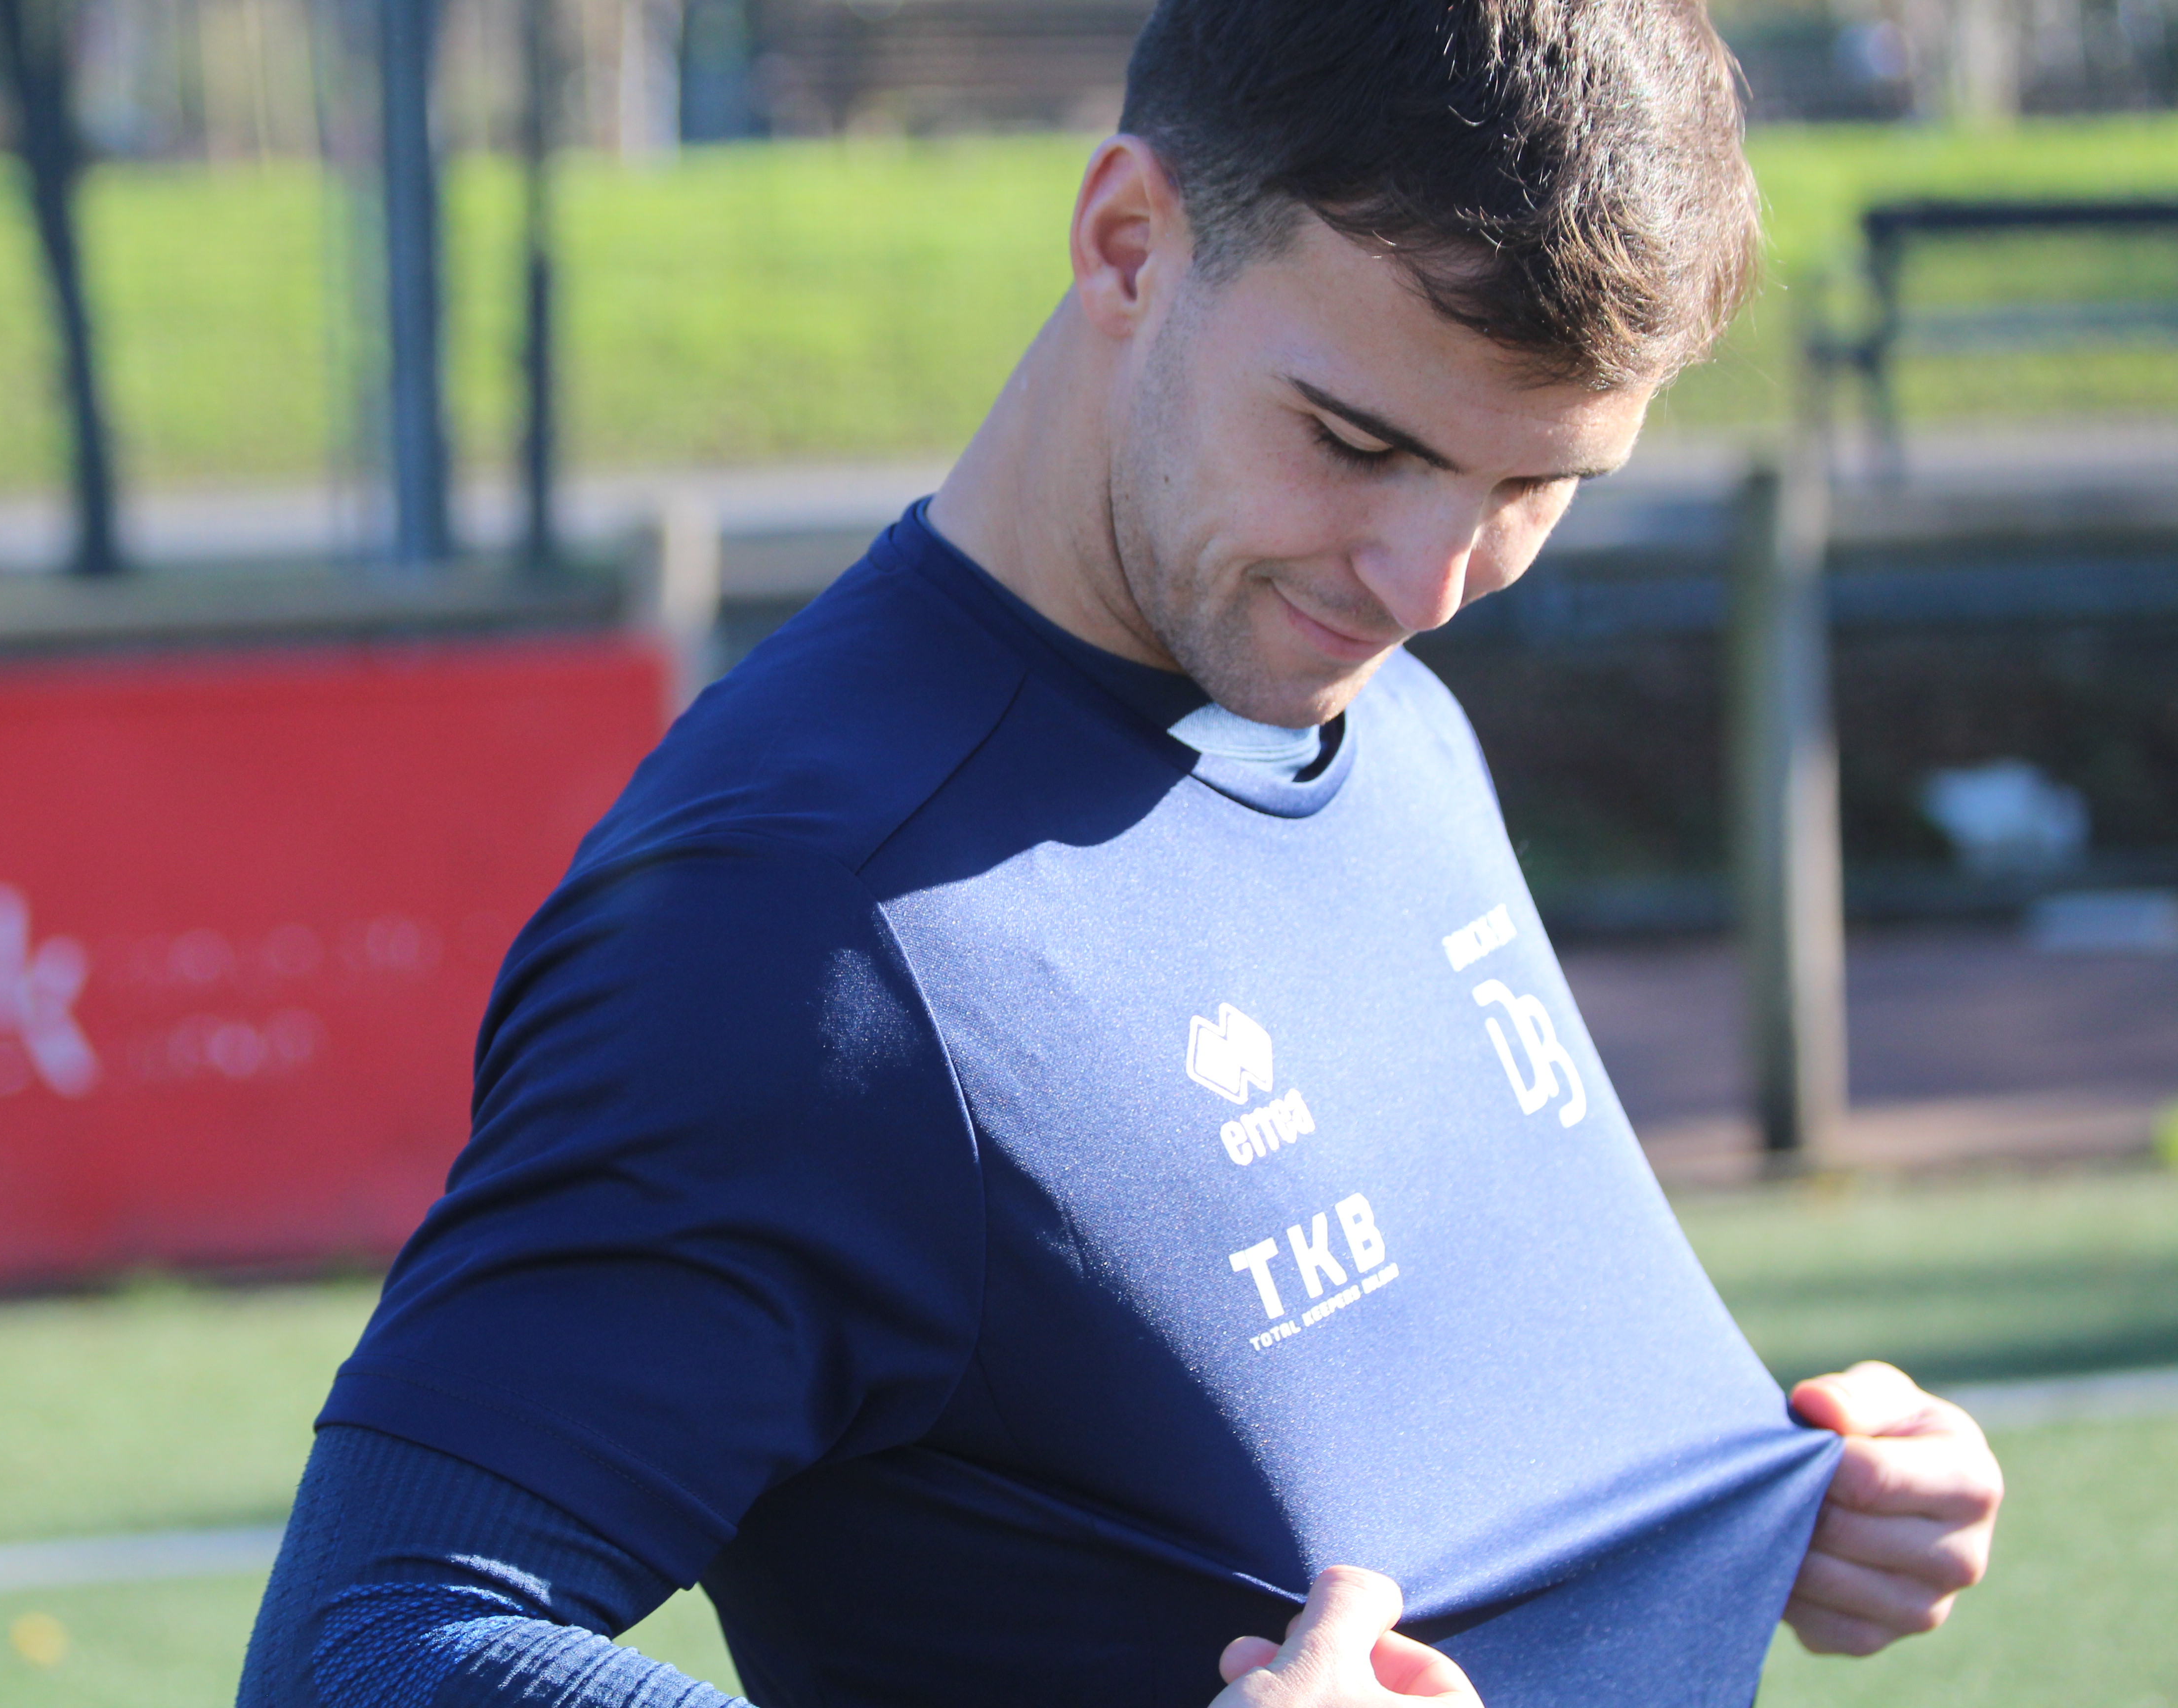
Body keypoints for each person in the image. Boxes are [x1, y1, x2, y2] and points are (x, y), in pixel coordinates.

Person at [237, 0, 2005, 1704]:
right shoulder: (794, 924)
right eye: (1357, 442)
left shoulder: (1385, 715)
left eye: (1535, 489)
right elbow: (363, 1653)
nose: (1429, 584)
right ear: (1128, 245)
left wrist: (1770, 1504)